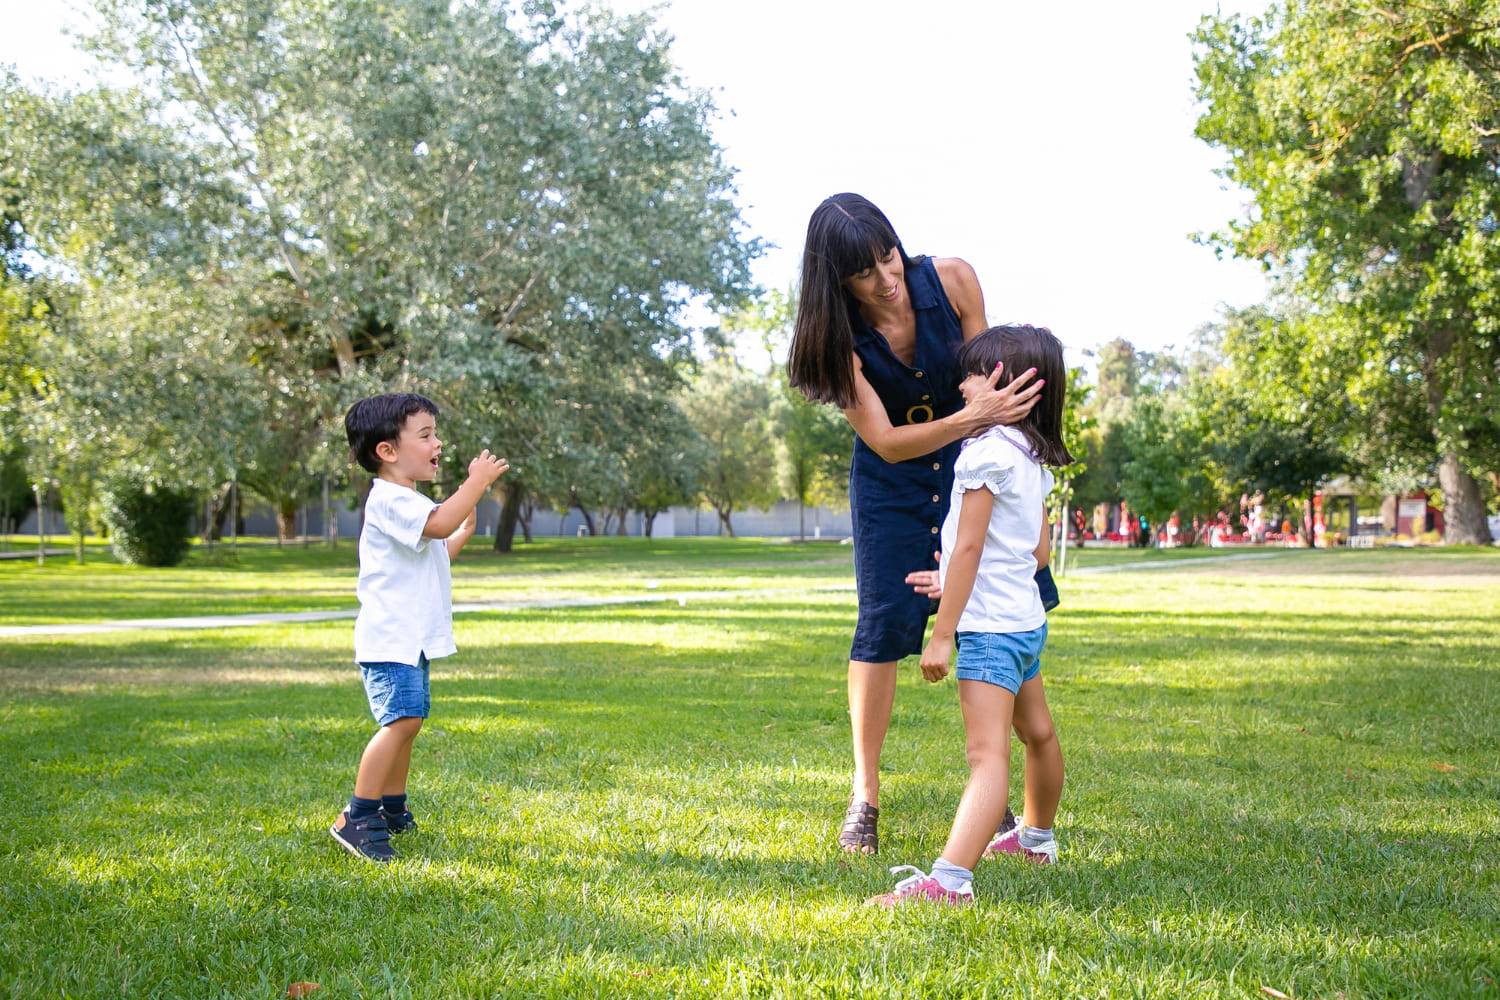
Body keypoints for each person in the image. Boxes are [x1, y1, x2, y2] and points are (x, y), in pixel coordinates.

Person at [786, 193, 1044, 855]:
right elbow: (887, 441)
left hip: (973, 472)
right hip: (892, 485)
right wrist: (970, 420)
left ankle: (994, 793)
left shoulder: (953, 280)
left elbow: (1000, 392)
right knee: (881, 628)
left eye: (888, 255)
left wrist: (1031, 500)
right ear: (835, 279)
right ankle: (865, 795)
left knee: (995, 615)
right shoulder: (833, 337)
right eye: (865, 271)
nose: (886, 277)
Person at [869, 324, 1070, 907]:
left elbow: (969, 549)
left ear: (1002, 382)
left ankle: (948, 883)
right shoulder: (1034, 455)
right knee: (1039, 734)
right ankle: (1036, 840)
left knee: (986, 758)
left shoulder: (983, 452)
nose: (961, 382)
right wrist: (955, 577)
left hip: (989, 631)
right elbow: (1033, 554)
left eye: (973, 373)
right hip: (1026, 623)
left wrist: (941, 634)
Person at [330, 392, 509, 862]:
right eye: (425, 435)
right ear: (387, 451)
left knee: (409, 723)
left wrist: (463, 532)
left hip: (409, 640)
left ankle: (392, 807)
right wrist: (475, 483)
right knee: (401, 721)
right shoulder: (389, 499)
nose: (438, 443)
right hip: (391, 638)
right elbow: (439, 523)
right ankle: (357, 815)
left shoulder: (409, 501)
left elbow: (434, 557)